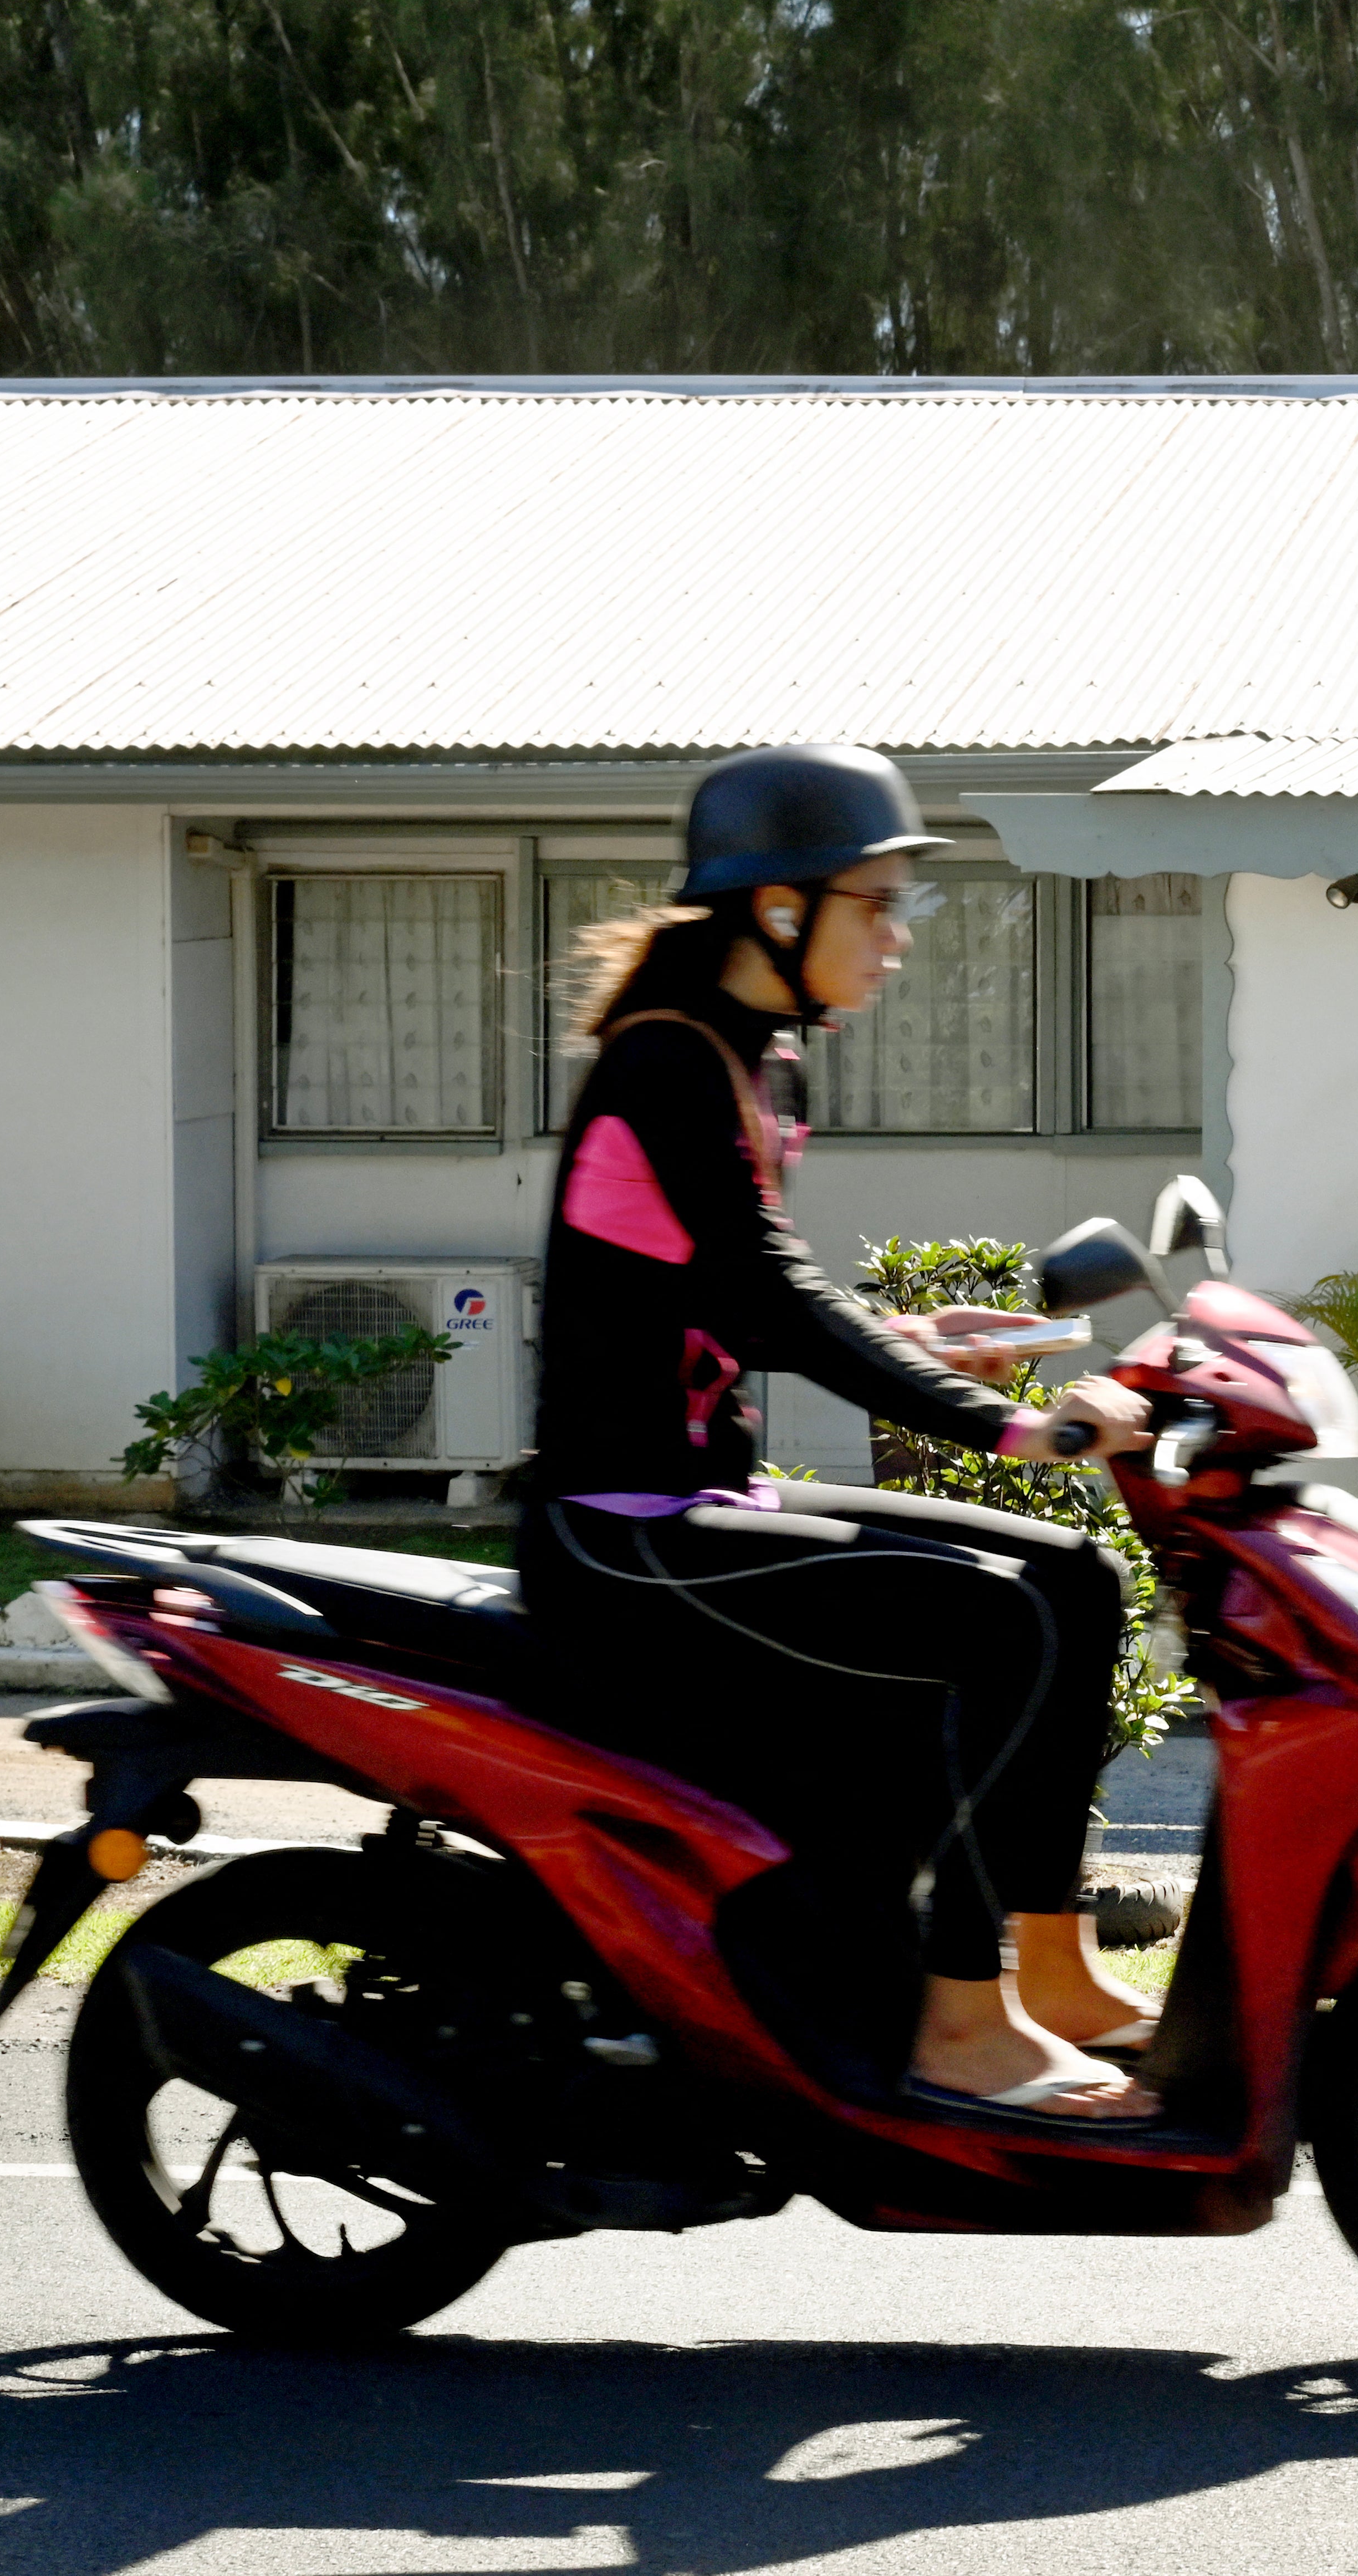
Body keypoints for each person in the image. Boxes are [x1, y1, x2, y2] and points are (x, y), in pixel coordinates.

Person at [515, 742, 1165, 2126]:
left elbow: (728, 1297)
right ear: (779, 912)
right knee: (1007, 1627)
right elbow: (767, 1293)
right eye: (879, 906)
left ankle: (1052, 1967)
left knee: (1077, 1581)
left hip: (706, 1500)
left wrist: (922, 1342)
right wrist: (1005, 1424)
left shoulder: (763, 1066)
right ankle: (959, 2022)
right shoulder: (665, 1066)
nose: (901, 940)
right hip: (625, 1534)